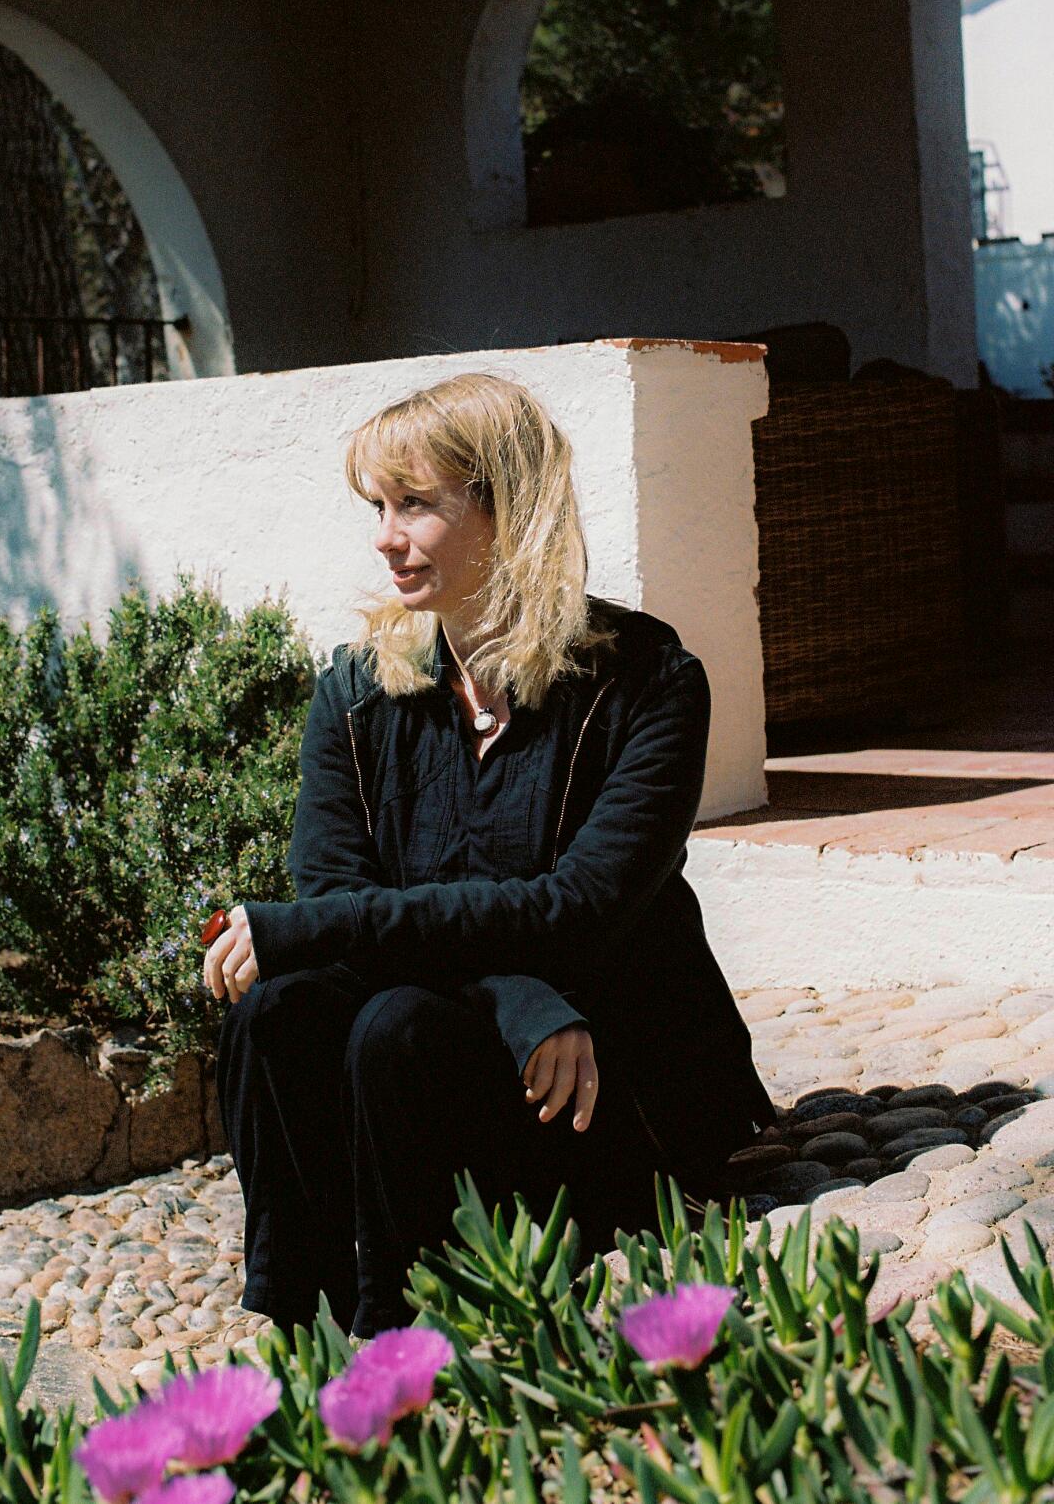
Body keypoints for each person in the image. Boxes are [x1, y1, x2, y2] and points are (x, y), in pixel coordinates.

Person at [204, 372, 774, 1339]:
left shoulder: (647, 680)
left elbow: (583, 909)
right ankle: (302, 1321)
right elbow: (338, 889)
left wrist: (524, 999)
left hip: (602, 1059)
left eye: (416, 505)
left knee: (394, 1025)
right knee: (277, 1011)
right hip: (498, 1028)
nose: (386, 537)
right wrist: (512, 991)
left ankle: (402, 1332)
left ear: (508, 509)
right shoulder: (356, 690)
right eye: (378, 507)